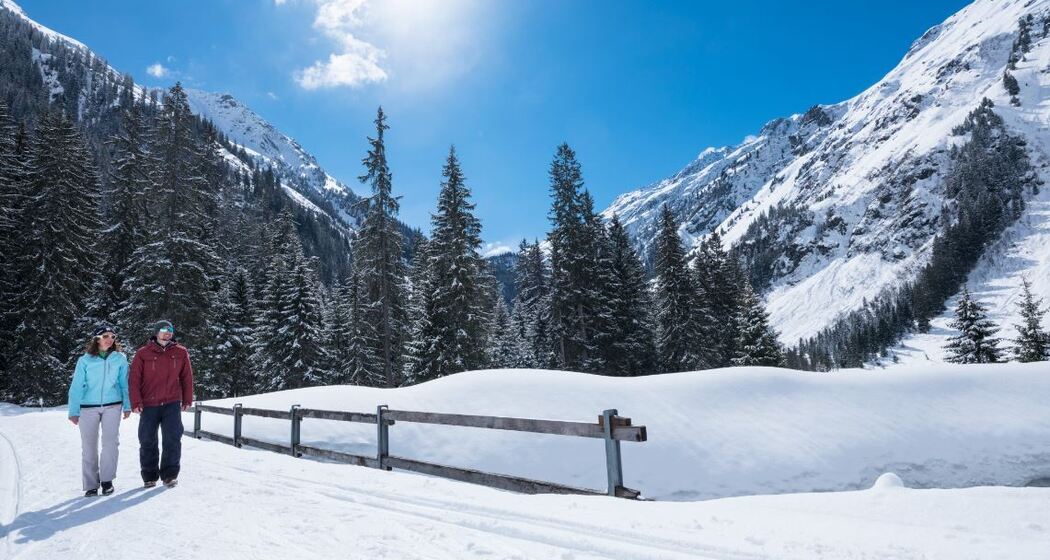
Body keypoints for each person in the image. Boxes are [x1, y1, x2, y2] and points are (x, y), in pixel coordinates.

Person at [68, 323, 132, 497]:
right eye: (106, 336)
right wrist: (73, 410)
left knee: (111, 444)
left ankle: (107, 480)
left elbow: (124, 383)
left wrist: (127, 405)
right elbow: (76, 387)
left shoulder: (119, 358)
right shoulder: (85, 360)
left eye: (112, 337)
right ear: (97, 339)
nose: (110, 340)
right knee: (89, 446)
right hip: (88, 407)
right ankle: (90, 484)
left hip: (113, 405)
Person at [130, 320, 194, 488]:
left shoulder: (181, 352)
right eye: (164, 330)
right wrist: (136, 401)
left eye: (170, 330)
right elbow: (134, 379)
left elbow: (187, 377)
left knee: (172, 438)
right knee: (147, 440)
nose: (167, 333)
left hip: (172, 402)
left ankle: (170, 475)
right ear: (156, 333)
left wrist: (187, 399)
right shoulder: (143, 353)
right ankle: (149, 476)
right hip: (149, 404)